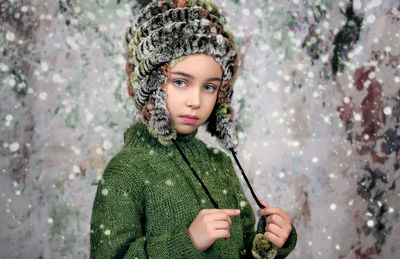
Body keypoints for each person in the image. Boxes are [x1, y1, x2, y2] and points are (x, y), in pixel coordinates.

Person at [90, 0, 297, 258]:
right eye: (180, 82)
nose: (196, 101)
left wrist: (268, 244)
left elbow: (240, 252)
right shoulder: (126, 172)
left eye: (209, 87)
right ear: (150, 83)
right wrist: (188, 241)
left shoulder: (220, 164)